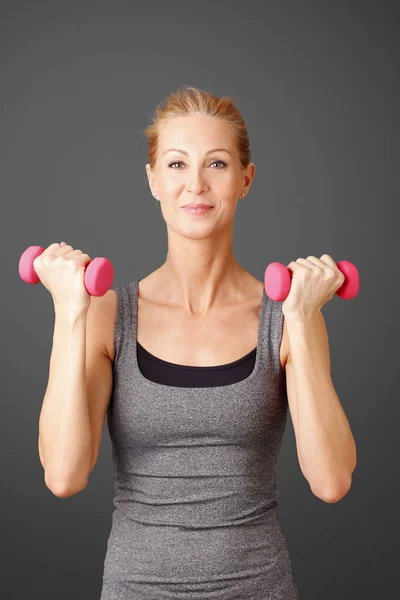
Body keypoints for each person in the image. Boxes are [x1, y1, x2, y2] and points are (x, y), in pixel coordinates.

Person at [37, 85, 299, 599]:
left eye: (217, 164)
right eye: (177, 165)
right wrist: (70, 312)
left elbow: (333, 482)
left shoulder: (285, 315)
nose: (195, 185)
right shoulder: (109, 314)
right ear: (152, 179)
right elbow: (64, 475)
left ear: (245, 179)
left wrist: (305, 315)